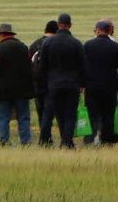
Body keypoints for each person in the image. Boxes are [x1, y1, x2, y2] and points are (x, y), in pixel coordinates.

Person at [40, 13, 86, 148]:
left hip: (54, 84)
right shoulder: (76, 43)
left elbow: (43, 66)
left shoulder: (48, 42)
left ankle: (65, 141)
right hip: (72, 84)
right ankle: (67, 142)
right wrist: (82, 84)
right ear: (70, 26)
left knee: (59, 114)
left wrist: (45, 84)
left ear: (58, 24)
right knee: (70, 114)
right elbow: (83, 66)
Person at [0, 23, 34, 146]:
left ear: (2, 35)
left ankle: (4, 141)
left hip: (2, 90)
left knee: (3, 117)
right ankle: (25, 141)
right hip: (22, 90)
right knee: (23, 117)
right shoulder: (24, 48)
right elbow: (30, 68)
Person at [83, 19, 118, 146]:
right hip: (109, 87)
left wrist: (82, 84)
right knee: (108, 115)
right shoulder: (116, 47)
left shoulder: (88, 45)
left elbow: (83, 66)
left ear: (98, 30)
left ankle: (91, 139)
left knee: (92, 114)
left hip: (91, 86)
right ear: (109, 31)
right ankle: (106, 140)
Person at [29, 20, 57, 145]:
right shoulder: (56, 44)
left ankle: (45, 138)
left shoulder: (35, 44)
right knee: (52, 113)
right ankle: (47, 139)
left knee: (42, 113)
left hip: (37, 84)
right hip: (52, 83)